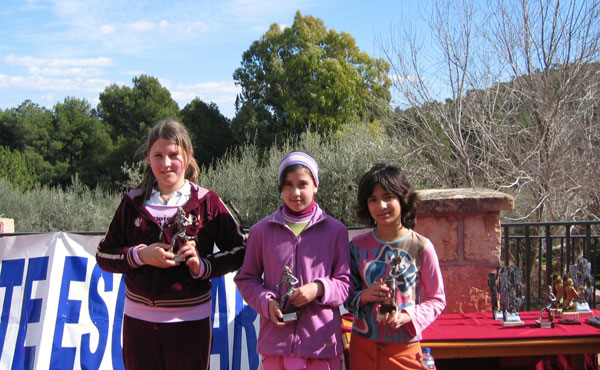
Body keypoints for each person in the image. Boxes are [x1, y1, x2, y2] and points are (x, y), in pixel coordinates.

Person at [96, 119, 246, 370]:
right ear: (148, 159)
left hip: (190, 325)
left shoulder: (207, 202)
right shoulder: (132, 203)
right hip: (139, 325)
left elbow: (240, 250)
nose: (166, 163)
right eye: (158, 155)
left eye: (173, 155)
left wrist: (203, 267)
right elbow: (104, 254)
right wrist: (141, 255)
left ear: (188, 156)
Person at [235, 151, 352, 370]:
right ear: (281, 188)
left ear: (315, 185)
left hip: (322, 346)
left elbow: (345, 284)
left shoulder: (336, 231)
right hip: (276, 347)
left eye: (303, 184)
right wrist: (267, 302)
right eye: (288, 185)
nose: (295, 192)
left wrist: (318, 289)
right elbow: (246, 279)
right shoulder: (261, 231)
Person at [344, 162, 446, 369]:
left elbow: (437, 299)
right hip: (362, 347)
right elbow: (345, 295)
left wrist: (407, 316)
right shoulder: (356, 246)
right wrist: (364, 296)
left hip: (404, 349)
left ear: (403, 199)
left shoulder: (421, 247)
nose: (381, 206)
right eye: (373, 199)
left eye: (388, 197)